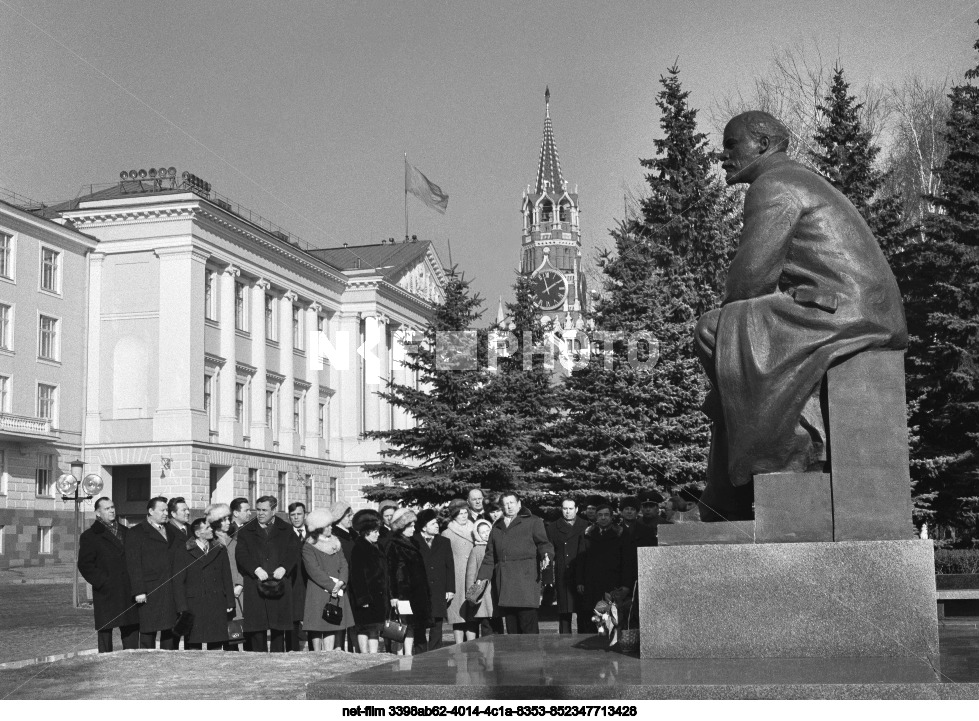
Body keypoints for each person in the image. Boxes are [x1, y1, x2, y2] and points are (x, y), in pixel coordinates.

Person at [696, 110, 907, 522]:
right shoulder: (794, 178)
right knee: (733, 351)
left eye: (730, 145)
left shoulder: (773, 185)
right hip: (851, 306)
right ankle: (740, 479)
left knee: (715, 331)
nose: (721, 156)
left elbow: (749, 282)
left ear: (764, 143)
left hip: (846, 312)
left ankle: (792, 446)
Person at [477, 492, 553, 635]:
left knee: (528, 626)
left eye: (512, 503)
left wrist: (546, 556)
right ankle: (514, 657)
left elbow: (544, 544)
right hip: (505, 583)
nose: (509, 506)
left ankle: (532, 657)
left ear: (519, 504)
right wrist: (482, 578)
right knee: (512, 629)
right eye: (505, 504)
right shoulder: (497, 527)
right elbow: (490, 556)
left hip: (526, 581)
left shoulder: (533, 521)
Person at [235, 495, 298, 653]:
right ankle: (259, 660)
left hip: (279, 583)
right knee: (257, 627)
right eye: (258, 510)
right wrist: (255, 569)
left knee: (278, 627)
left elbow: (294, 551)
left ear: (274, 510)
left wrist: (284, 567)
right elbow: (241, 555)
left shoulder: (287, 529)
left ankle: (277, 658)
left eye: (265, 510)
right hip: (256, 584)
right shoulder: (246, 531)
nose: (260, 513)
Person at [77, 497, 140, 652]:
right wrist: (103, 582)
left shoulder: (127, 532)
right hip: (107, 591)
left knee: (131, 627)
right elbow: (85, 564)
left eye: (112, 507)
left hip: (128, 589)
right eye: (106, 508)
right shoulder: (90, 536)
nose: (111, 511)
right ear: (98, 513)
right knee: (105, 631)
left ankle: (132, 660)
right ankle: (104, 661)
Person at [172, 518, 235, 650]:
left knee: (216, 642)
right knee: (193, 644)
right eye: (207, 528)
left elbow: (226, 577)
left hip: (216, 603)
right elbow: (178, 582)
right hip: (193, 605)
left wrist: (230, 601)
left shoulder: (220, 548)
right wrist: (182, 607)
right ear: (198, 533)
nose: (212, 530)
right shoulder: (183, 551)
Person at [125, 496, 178, 649]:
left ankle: (168, 663)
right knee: (148, 631)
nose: (166, 513)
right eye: (162, 510)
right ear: (150, 511)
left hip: (170, 589)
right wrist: (139, 590)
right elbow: (133, 564)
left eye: (167, 510)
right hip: (149, 590)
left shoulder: (171, 531)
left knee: (169, 630)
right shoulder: (136, 532)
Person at [576, 504, 637, 633]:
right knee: (593, 617)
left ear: (611, 516)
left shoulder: (621, 533)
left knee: (612, 619)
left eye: (606, 515)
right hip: (592, 583)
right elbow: (581, 560)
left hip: (613, 583)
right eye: (600, 515)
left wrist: (626, 585)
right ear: (596, 517)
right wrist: (580, 581)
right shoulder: (587, 534)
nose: (603, 518)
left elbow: (627, 562)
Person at [301, 509, 353, 651]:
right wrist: (333, 586)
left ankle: (329, 653)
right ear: (319, 527)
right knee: (317, 625)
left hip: (337, 588)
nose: (331, 527)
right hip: (319, 590)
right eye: (328, 525)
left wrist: (341, 581)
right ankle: (317, 654)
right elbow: (313, 570)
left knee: (332, 623)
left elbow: (344, 564)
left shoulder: (335, 543)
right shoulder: (309, 546)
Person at [385, 509, 432, 656]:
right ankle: (400, 654)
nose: (414, 528)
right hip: (402, 592)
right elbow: (391, 571)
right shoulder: (394, 544)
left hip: (415, 592)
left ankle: (408, 653)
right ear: (402, 527)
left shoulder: (413, 543)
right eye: (410, 526)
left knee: (412, 624)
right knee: (401, 624)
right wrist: (393, 595)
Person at [413, 508, 454, 652]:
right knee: (420, 623)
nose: (437, 525)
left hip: (439, 589)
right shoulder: (413, 541)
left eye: (437, 523)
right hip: (420, 590)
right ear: (424, 527)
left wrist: (450, 588)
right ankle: (420, 652)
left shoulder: (444, 542)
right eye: (433, 523)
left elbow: (450, 566)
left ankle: (436, 651)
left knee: (437, 622)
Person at [206, 502, 246, 650]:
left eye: (229, 519)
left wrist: (240, 584)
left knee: (233, 639)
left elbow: (242, 566)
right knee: (215, 640)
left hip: (235, 594)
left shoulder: (234, 542)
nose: (229, 522)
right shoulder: (209, 544)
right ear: (216, 522)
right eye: (224, 519)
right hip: (216, 595)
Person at [545, 497, 588, 634]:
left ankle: (583, 641)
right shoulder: (552, 528)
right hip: (563, 573)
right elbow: (549, 553)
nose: (568, 512)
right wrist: (548, 578)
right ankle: (564, 643)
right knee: (564, 612)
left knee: (583, 613)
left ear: (576, 509)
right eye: (565, 508)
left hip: (582, 573)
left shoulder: (586, 526)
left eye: (570, 509)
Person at [349, 513, 389, 653]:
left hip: (378, 596)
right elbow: (356, 575)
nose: (378, 534)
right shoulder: (359, 548)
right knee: (364, 627)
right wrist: (363, 597)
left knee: (375, 627)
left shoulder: (378, 547)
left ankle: (373, 654)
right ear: (366, 532)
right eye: (375, 532)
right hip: (366, 596)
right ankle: (364, 654)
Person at [441, 499, 478, 643]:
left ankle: (472, 643)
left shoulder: (475, 529)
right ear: (453, 515)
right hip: (456, 577)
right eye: (460, 513)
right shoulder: (447, 532)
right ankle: (458, 645)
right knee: (457, 614)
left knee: (472, 613)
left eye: (465, 513)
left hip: (472, 574)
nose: (463, 516)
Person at [464, 519, 501, 636]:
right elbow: (470, 574)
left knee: (498, 625)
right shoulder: (476, 550)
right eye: (482, 532)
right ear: (477, 535)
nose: (486, 534)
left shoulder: (498, 547)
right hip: (483, 594)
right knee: (486, 626)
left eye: (488, 530)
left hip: (497, 593)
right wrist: (472, 594)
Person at [287, 501, 309, 652]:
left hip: (310, 581)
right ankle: (292, 649)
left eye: (299, 514)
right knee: (293, 618)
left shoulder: (313, 532)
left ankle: (315, 650)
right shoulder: (285, 534)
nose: (296, 518)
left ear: (305, 515)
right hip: (293, 582)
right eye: (292, 515)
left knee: (311, 616)